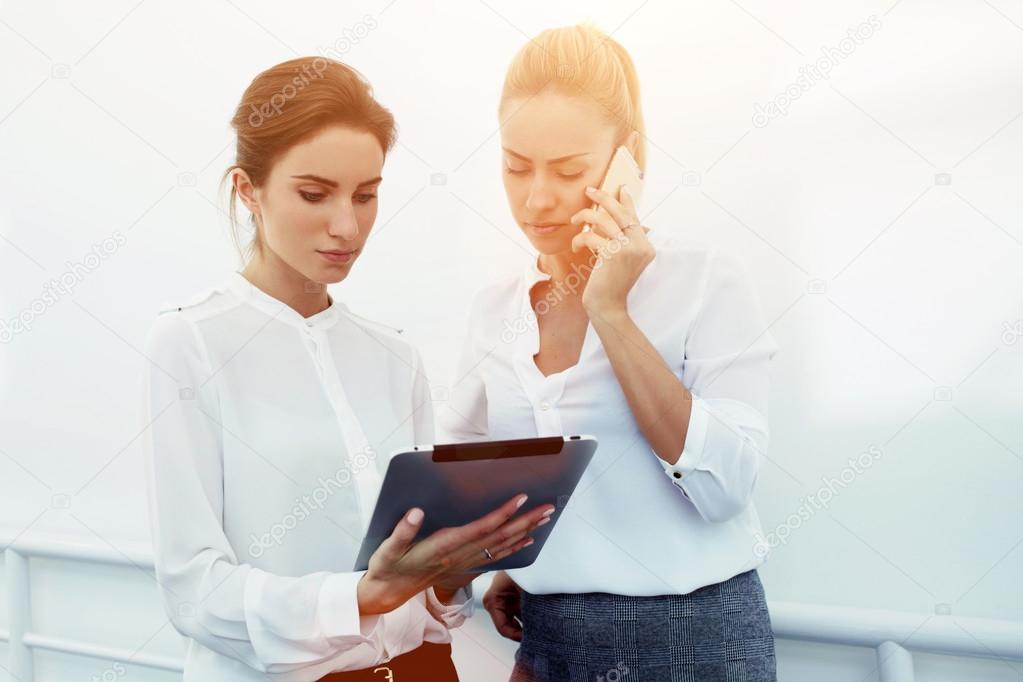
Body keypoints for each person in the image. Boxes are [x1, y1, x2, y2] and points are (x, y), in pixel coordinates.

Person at [141, 56, 553, 681]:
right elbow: (194, 593)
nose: (348, 226)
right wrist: (363, 596)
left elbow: (427, 596)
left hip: (422, 672)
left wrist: (452, 574)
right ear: (247, 189)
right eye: (314, 194)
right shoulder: (189, 343)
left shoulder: (394, 356)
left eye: (367, 195)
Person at [441, 26, 779, 681]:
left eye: (567, 171)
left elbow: (723, 488)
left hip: (696, 645)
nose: (536, 198)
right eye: (515, 166)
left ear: (626, 159)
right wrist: (509, 568)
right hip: (550, 640)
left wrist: (611, 311)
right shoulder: (493, 311)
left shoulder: (705, 280)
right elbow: (463, 481)